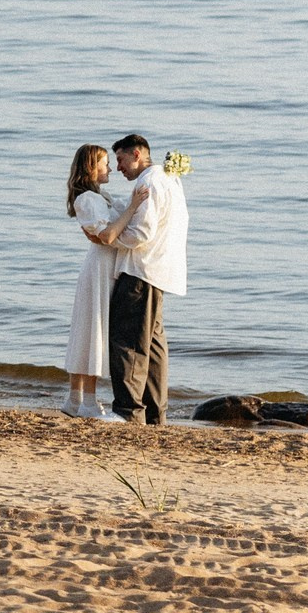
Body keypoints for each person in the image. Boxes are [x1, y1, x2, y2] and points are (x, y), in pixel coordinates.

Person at [83, 131, 188, 424]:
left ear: (137, 154)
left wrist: (108, 239)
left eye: (121, 159)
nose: (118, 168)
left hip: (141, 271)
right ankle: (155, 413)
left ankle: (128, 412)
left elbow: (142, 233)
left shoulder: (150, 181)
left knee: (127, 341)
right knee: (153, 347)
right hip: (161, 272)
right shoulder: (168, 178)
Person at [61, 144, 129, 419]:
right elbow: (106, 235)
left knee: (88, 328)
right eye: (105, 163)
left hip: (103, 265)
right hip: (100, 266)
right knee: (92, 330)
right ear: (92, 167)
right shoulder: (87, 199)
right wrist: (135, 203)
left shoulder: (100, 196)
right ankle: (88, 401)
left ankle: (75, 399)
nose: (110, 168)